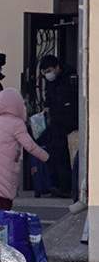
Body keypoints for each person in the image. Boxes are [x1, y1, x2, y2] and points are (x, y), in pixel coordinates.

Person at [0, 88, 49, 210]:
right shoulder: (17, 123)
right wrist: (46, 156)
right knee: (5, 199)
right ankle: (4, 223)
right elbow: (29, 145)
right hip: (6, 167)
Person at [39, 54, 78, 197]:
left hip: (68, 121)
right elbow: (49, 98)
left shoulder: (70, 78)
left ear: (57, 67)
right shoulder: (52, 82)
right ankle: (55, 185)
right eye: (45, 73)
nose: (48, 75)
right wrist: (47, 107)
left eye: (49, 70)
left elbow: (70, 101)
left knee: (62, 154)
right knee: (53, 151)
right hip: (56, 121)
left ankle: (65, 187)